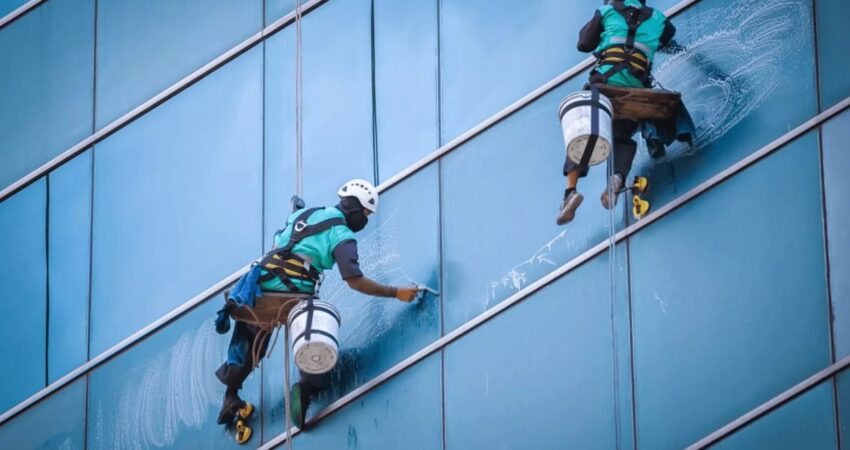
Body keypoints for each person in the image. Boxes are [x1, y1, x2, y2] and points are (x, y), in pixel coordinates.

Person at [214, 179, 420, 430]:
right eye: (365, 214)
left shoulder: (306, 213)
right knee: (318, 326)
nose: (364, 220)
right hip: (291, 293)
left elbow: (287, 234)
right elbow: (355, 281)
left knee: (251, 337)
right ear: (355, 208)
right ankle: (307, 387)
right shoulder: (341, 234)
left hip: (257, 287)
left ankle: (230, 396)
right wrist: (396, 292)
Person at [557, 0, 676, 225]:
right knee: (621, 136)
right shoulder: (658, 18)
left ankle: (570, 192)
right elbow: (668, 36)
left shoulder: (607, 11)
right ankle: (617, 178)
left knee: (583, 133)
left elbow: (583, 43)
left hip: (605, 82)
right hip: (636, 88)